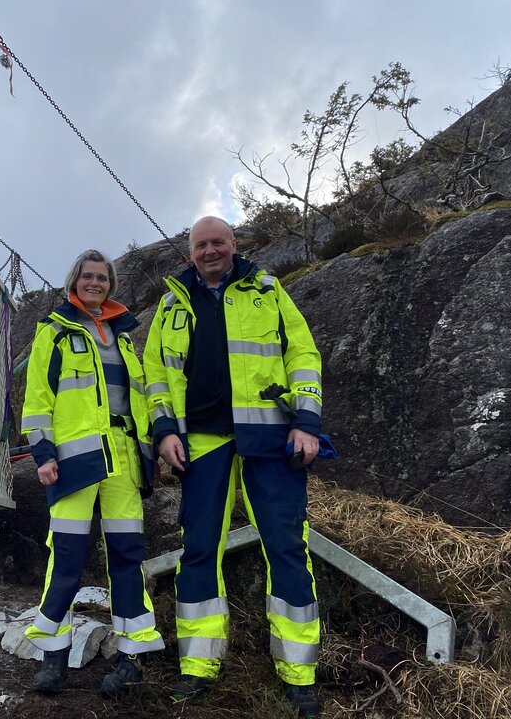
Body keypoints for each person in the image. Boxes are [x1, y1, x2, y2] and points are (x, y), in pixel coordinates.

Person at [143, 217, 323, 717]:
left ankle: (299, 672)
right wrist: (165, 433)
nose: (210, 251)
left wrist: (306, 421)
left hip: (270, 437)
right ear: (190, 253)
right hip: (200, 442)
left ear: (233, 245)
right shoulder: (172, 304)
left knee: (287, 546)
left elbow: (303, 355)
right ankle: (198, 667)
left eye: (217, 242)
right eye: (201, 245)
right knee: (199, 549)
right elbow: (155, 376)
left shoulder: (267, 290)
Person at [21, 249, 164, 698]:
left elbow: (138, 401)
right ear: (74, 282)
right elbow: (38, 399)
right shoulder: (55, 332)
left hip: (122, 460)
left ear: (111, 284)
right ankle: (53, 657)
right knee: (65, 558)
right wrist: (43, 454)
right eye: (88, 276)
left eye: (102, 277)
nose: (95, 283)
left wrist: (150, 454)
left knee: (127, 556)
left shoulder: (124, 338)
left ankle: (131, 657)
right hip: (73, 463)